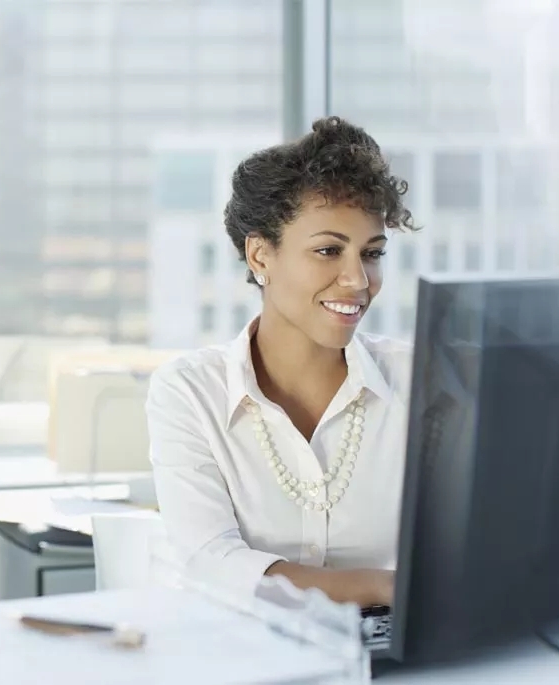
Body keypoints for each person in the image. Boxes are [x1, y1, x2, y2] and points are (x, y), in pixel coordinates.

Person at [146, 116, 418, 607]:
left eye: (371, 253)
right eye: (328, 250)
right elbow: (211, 563)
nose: (357, 280)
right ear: (260, 256)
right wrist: (387, 587)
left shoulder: (420, 381)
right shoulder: (190, 391)